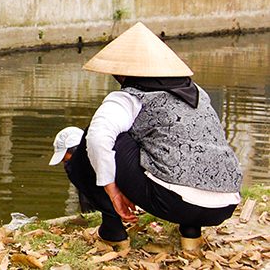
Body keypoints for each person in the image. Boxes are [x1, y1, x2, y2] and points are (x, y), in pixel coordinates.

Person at [50, 22, 242, 253]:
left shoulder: (128, 98)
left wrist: (113, 191)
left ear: (122, 72)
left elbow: (98, 140)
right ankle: (191, 234)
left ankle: (113, 231)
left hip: (173, 202)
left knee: (93, 139)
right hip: (226, 204)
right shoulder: (198, 94)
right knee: (186, 147)